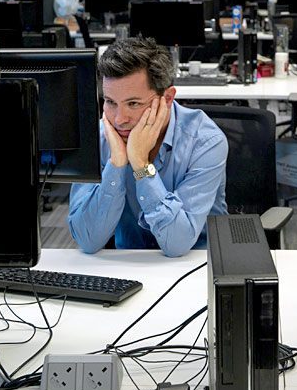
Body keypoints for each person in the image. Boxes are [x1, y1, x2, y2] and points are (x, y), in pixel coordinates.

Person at [68, 36, 228, 256]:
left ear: (167, 98)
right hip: (129, 263)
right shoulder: (100, 138)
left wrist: (141, 165)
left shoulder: (205, 142)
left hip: (197, 262)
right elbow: (87, 241)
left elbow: (177, 245)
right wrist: (116, 164)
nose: (119, 119)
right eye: (111, 102)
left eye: (133, 103)